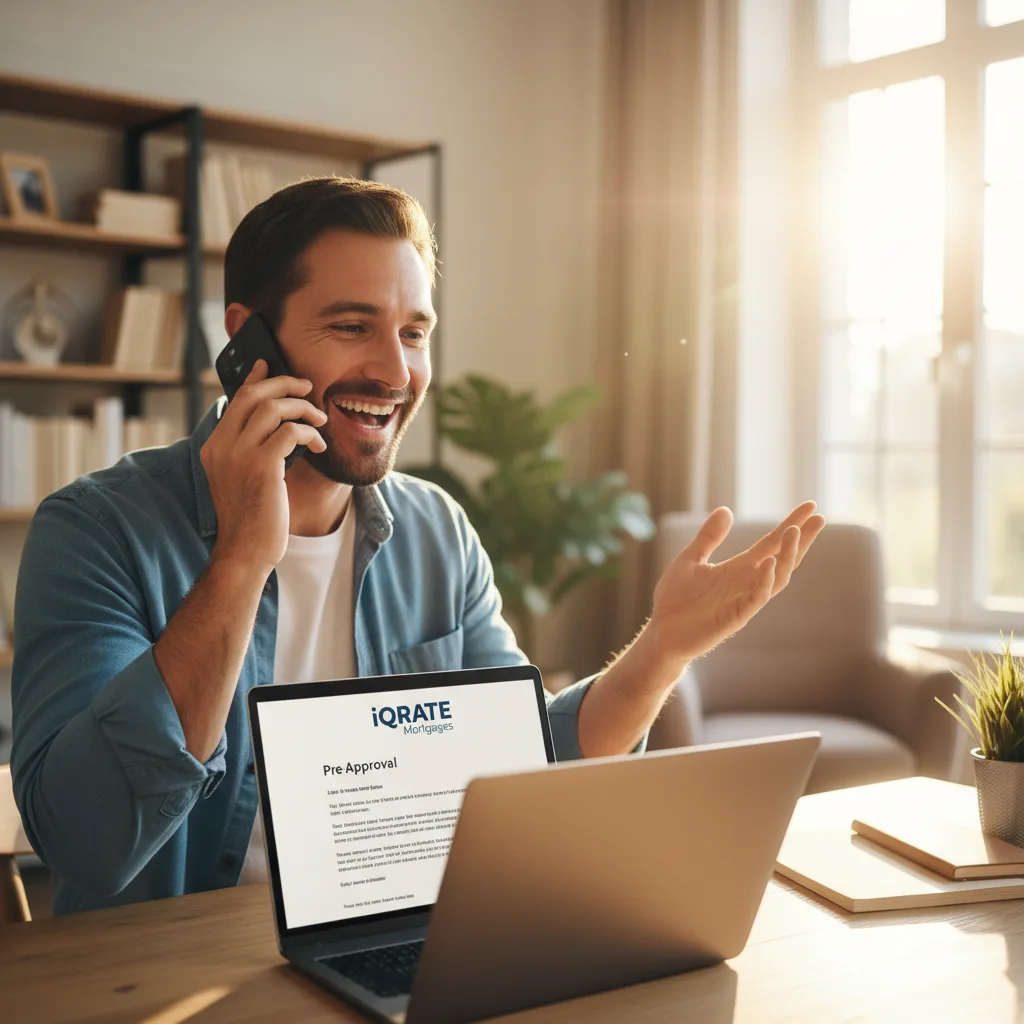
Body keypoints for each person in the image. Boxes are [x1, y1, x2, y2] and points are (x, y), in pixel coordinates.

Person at [11, 178, 825, 916]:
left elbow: (526, 775)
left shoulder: (436, 531)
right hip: (170, 968)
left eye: (414, 332)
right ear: (246, 341)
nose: (395, 371)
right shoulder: (96, 531)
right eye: (351, 326)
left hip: (394, 943)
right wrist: (240, 561)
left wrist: (665, 647)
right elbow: (89, 844)